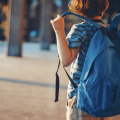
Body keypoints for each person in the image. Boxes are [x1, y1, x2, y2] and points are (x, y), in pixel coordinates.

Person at [50, 0, 110, 120]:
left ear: (80, 7)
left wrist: (59, 30)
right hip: (105, 97)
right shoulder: (109, 31)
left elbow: (66, 60)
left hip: (82, 97)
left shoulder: (80, 29)